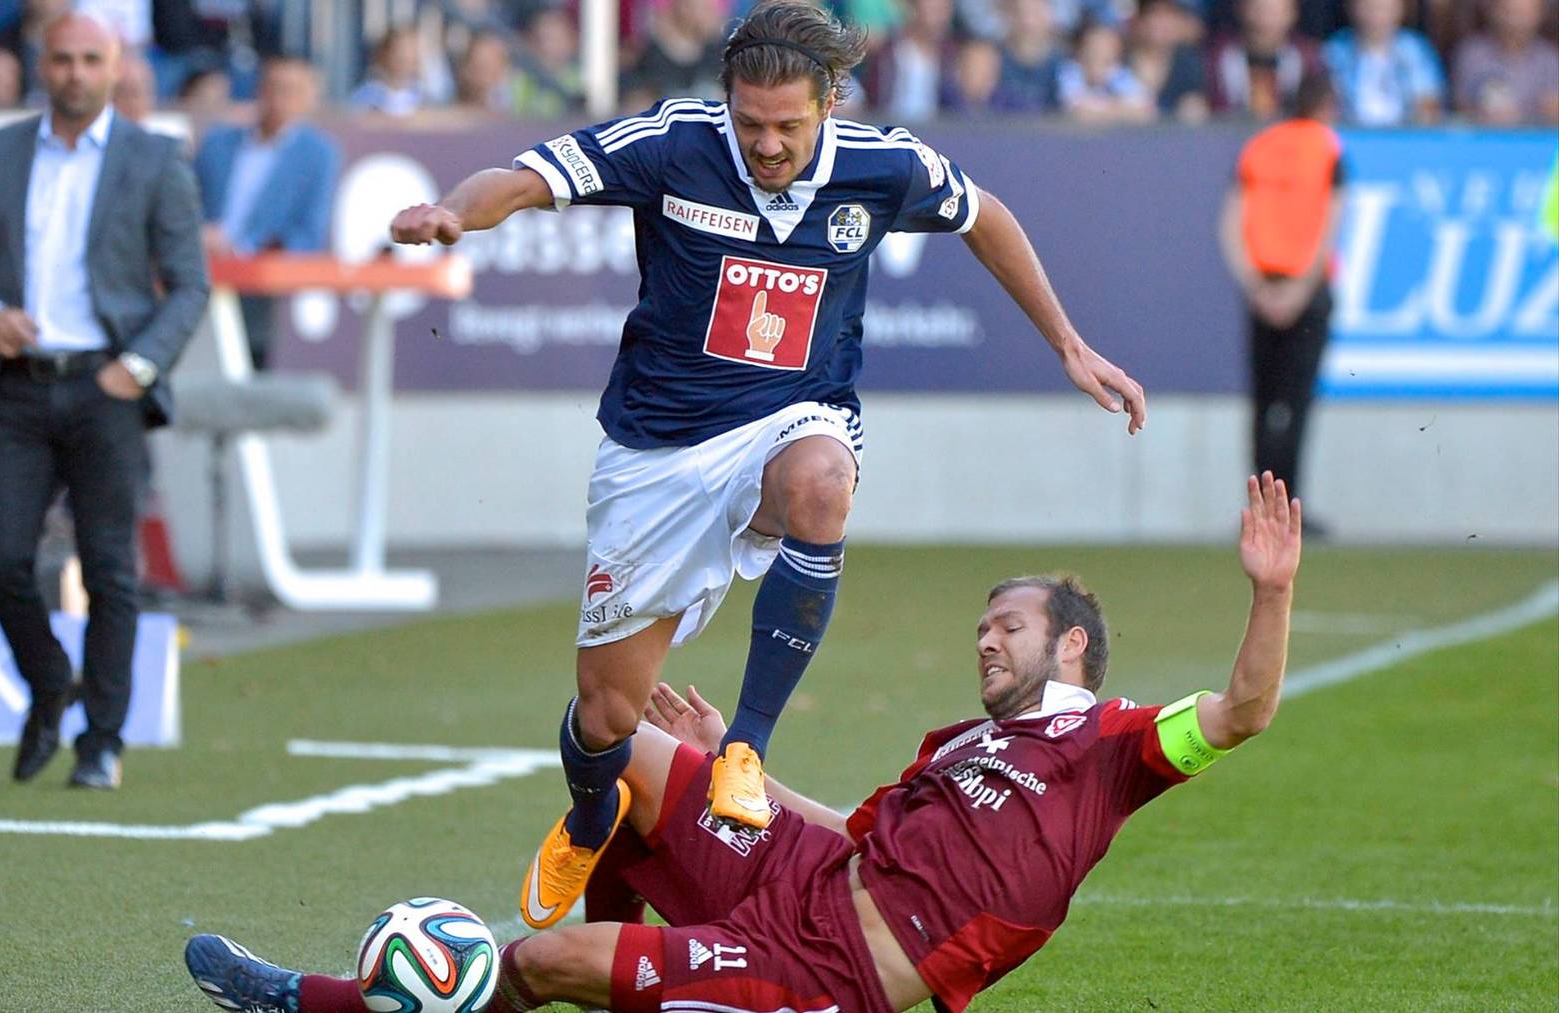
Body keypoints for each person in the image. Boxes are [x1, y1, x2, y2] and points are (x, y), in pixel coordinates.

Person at [389, 0, 1147, 934]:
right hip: (658, 454)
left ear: (830, 101)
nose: (769, 144)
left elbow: (983, 214)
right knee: (606, 716)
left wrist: (1067, 344)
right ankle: (592, 810)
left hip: (793, 422)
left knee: (823, 480)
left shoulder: (885, 165)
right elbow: (526, 178)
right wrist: (454, 215)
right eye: (751, 124)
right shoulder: (674, 144)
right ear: (727, 104)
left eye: (789, 125)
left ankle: (744, 746)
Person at [185, 471, 1303, 1013]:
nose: (982, 640)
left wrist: (1273, 591)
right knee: (621, 749)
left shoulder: (1111, 744)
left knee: (541, 961)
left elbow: (1245, 711)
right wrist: (739, 761)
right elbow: (854, 833)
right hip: (810, 873)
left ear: (1067, 645)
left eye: (1003, 626)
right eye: (981, 625)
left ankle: (309, 998)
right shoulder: (960, 741)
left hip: (832, 967)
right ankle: (617, 919)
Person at [0, 10, 208, 790]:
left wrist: (142, 365)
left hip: (106, 384)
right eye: (63, 59)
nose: (76, 73)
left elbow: (189, 283)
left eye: (91, 59)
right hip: (17, 382)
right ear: (40, 61)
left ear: (115, 63)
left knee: (109, 570)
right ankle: (51, 676)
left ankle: (101, 744)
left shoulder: (155, 158)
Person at [1218, 72, 1341, 537]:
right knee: (1296, 404)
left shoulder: (1260, 146)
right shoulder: (1327, 147)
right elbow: (1331, 224)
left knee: (1263, 403)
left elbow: (1231, 224)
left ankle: (1258, 512)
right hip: (1306, 291)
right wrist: (1299, 291)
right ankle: (1289, 512)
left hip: (1263, 286)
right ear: (1326, 105)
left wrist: (1255, 286)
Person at [194, 55, 339, 369]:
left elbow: (309, 234)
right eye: (273, 88)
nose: (279, 99)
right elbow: (188, 204)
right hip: (200, 268)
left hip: (258, 283)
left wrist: (250, 251)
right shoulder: (218, 142)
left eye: (291, 90)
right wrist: (202, 235)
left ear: (308, 98)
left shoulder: (317, 154)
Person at [1321, 0, 1445, 126]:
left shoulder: (1415, 50)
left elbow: (1428, 102)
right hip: (1350, 137)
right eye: (1368, 7)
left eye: (1383, 7)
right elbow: (1325, 107)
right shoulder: (1335, 52)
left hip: (1405, 138)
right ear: (1352, 8)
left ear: (1400, 9)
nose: (1376, 15)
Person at [1207, 0, 1322, 119]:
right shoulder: (1217, 56)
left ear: (1293, 13)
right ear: (1241, 8)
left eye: (1275, 10)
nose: (1266, 18)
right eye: (1260, 8)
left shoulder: (1308, 57)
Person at [1451, 0, 1559, 125]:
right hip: (1484, 138)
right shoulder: (1471, 54)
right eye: (1510, 11)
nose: (1517, 20)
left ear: (1540, 15)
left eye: (1524, 13)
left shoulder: (1549, 58)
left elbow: (1553, 111)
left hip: (1534, 141)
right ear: (1494, 11)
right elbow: (1458, 107)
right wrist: (1479, 113)